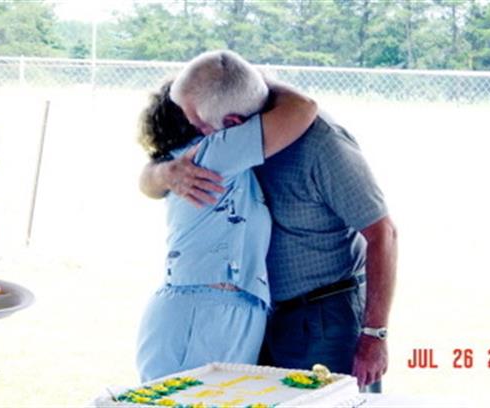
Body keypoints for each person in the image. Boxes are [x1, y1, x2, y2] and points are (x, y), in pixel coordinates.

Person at [140, 50, 397, 390]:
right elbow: (152, 176)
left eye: (199, 123)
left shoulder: (320, 143)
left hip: (322, 317)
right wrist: (162, 173)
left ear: (231, 123)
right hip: (261, 316)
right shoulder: (218, 150)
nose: (197, 132)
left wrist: (374, 335)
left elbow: (384, 234)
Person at [135, 53, 318, 382]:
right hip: (205, 313)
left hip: (221, 310)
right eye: (194, 119)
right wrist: (254, 80)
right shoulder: (214, 153)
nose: (199, 126)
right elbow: (303, 107)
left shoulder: (211, 156)